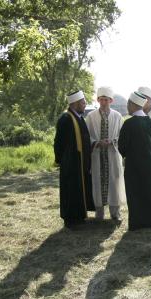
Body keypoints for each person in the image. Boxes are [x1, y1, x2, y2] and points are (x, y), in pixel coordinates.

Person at [118, 91, 151, 231]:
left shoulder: (129, 123)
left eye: (128, 104)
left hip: (135, 166)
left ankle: (139, 222)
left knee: (137, 194)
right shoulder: (150, 122)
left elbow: (122, 147)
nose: (127, 107)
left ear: (133, 105)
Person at [54, 90, 94, 228]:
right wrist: (61, 161)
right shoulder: (66, 119)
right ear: (75, 103)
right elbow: (59, 142)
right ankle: (71, 219)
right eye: (83, 102)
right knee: (71, 190)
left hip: (81, 162)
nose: (85, 104)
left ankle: (79, 216)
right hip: (71, 164)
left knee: (79, 190)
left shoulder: (79, 117)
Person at [84, 87, 124, 222]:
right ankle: (99, 213)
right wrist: (96, 142)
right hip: (97, 155)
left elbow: (122, 136)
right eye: (101, 99)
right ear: (97, 100)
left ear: (111, 100)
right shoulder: (91, 116)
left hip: (112, 154)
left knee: (114, 182)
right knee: (97, 182)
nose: (103, 102)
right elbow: (86, 136)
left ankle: (115, 213)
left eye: (106, 100)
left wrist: (112, 141)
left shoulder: (117, 116)